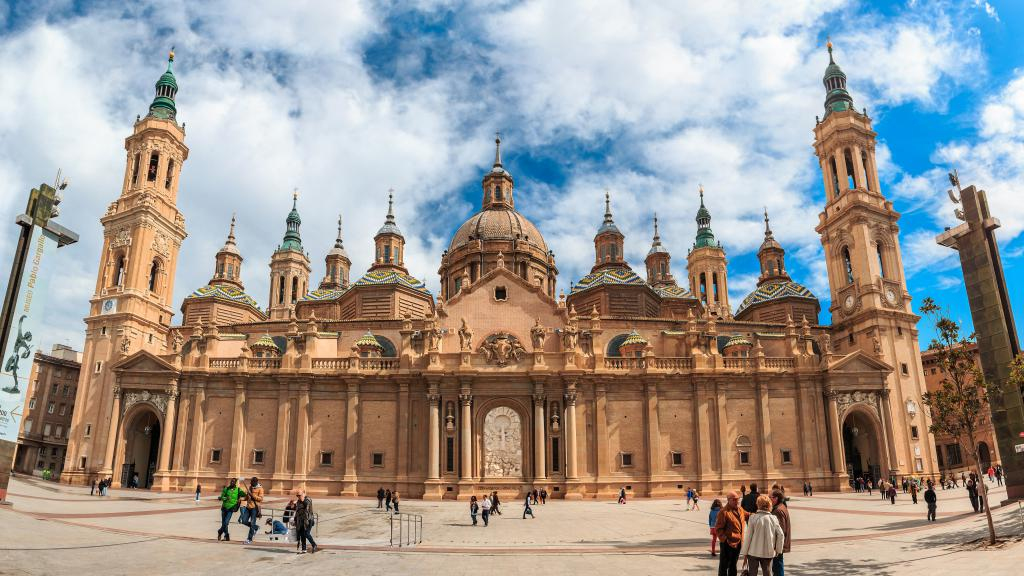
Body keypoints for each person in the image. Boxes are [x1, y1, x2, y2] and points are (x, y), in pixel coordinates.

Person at [740, 495, 785, 576]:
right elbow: (781, 535)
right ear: (769, 505)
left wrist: (745, 553)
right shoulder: (773, 518)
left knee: (752, 573)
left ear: (758, 505)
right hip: (768, 552)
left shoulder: (753, 518)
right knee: (767, 573)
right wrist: (778, 550)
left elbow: (748, 537)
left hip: (753, 552)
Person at [715, 491, 748, 576]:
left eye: (738, 499)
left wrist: (760, 514)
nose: (737, 501)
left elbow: (748, 515)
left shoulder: (740, 509)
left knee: (733, 565)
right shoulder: (724, 512)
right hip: (727, 543)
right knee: (723, 566)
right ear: (729, 500)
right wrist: (725, 540)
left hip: (738, 542)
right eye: (734, 500)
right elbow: (718, 529)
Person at [771, 489, 791, 576]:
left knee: (777, 566)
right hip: (780, 543)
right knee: (778, 565)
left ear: (776, 498)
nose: (769, 499)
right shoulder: (781, 506)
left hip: (778, 544)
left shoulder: (778, 510)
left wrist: (776, 546)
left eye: (770, 497)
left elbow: (780, 530)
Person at [294, 489, 318, 554]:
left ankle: (314, 545)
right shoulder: (298, 502)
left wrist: (303, 500)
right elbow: (297, 511)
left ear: (304, 493)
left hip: (308, 520)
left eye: (299, 495)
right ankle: (304, 549)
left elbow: (307, 507)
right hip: (301, 520)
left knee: (307, 533)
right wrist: (295, 519)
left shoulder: (308, 499)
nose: (298, 497)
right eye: (297, 495)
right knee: (302, 534)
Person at [243, 476, 264, 544]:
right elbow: (247, 497)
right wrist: (241, 499)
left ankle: (249, 539)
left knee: (252, 523)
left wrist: (253, 495)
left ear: (256, 482)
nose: (250, 483)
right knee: (244, 521)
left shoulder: (260, 489)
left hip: (254, 508)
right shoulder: (250, 487)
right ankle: (256, 527)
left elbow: (261, 499)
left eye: (252, 482)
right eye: (250, 482)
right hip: (248, 507)